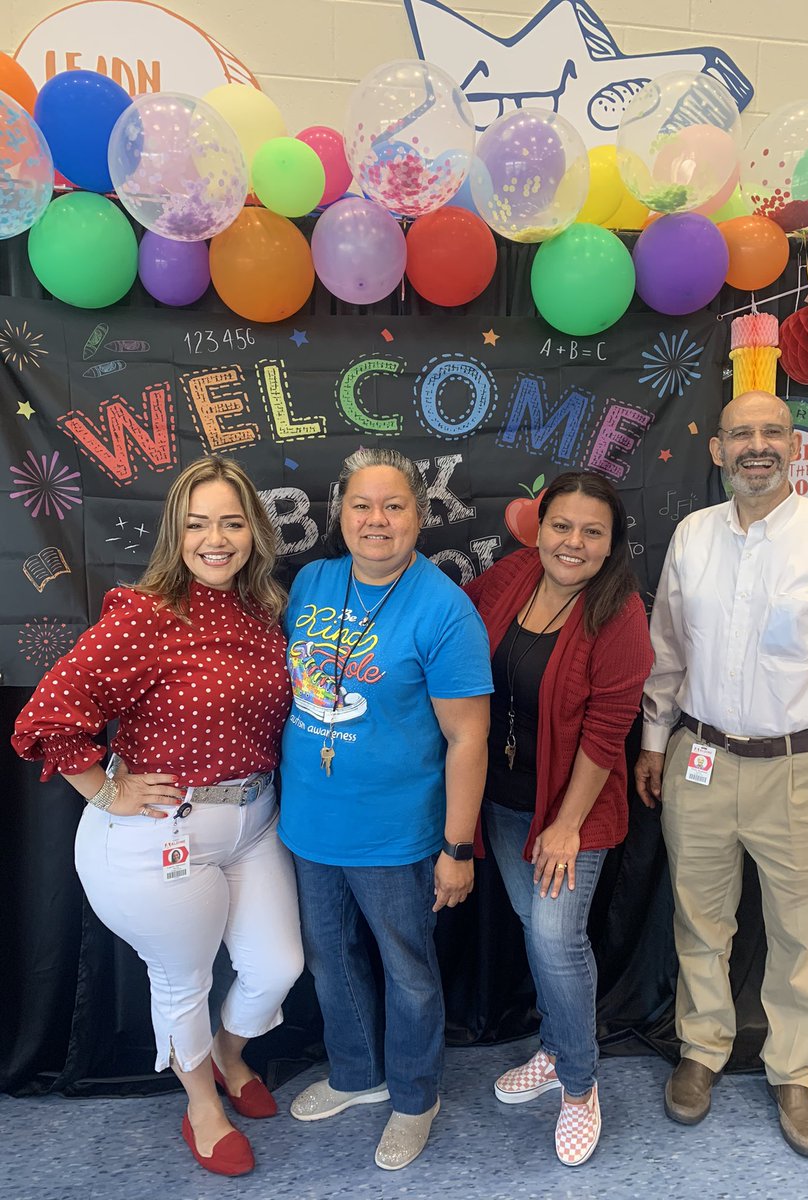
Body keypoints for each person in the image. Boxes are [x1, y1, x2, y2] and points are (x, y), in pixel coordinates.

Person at [12, 455, 304, 1178]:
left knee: (277, 967)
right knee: (183, 982)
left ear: (255, 531)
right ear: (176, 533)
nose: (216, 540)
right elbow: (46, 715)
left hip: (255, 819)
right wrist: (104, 791)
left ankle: (229, 1055)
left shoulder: (264, 610)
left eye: (232, 523)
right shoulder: (146, 614)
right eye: (198, 524)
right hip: (163, 836)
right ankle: (201, 1103)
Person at [634, 391, 808, 1158]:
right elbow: (667, 651)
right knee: (699, 922)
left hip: (804, 769)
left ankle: (793, 1071)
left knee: (797, 932)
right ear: (717, 449)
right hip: (701, 761)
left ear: (795, 447)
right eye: (742, 433)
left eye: (773, 432)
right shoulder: (693, 536)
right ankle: (702, 1049)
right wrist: (653, 741)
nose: (758, 445)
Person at [279, 447, 492, 1171]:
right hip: (309, 823)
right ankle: (356, 1075)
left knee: (408, 971)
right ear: (339, 513)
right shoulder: (313, 581)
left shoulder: (445, 609)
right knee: (328, 958)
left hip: (395, 834)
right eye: (362, 505)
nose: (377, 520)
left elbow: (468, 739)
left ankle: (414, 1096)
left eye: (394, 506)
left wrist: (457, 848)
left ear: (419, 517)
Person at [464, 471, 653, 1167]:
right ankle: (553, 1048)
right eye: (562, 526)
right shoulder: (513, 577)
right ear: (538, 528)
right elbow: (453, 630)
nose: (574, 543)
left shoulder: (619, 614)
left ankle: (578, 1084)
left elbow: (607, 733)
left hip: (570, 810)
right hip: (502, 800)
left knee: (556, 938)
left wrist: (567, 825)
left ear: (611, 543)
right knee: (535, 928)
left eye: (592, 532)